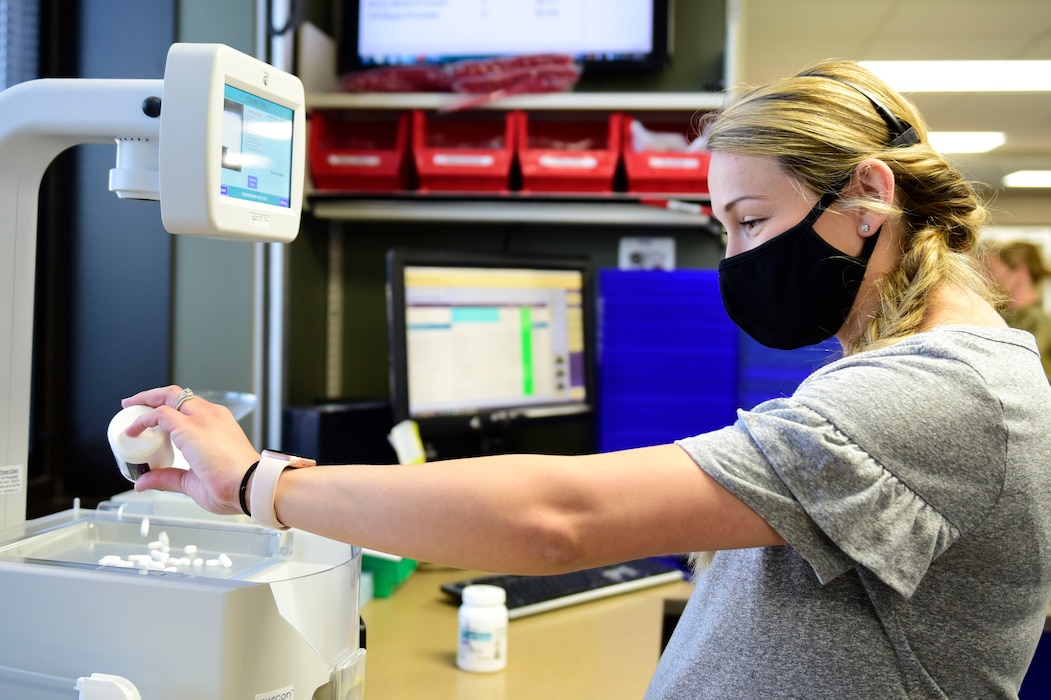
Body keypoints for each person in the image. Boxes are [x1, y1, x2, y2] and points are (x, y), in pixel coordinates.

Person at [123, 59, 1051, 698]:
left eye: (751, 221)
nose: (733, 258)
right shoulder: (907, 371)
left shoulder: (940, 394)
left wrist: (257, 482)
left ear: (867, 199)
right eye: (720, 228)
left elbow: (558, 519)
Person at [985, 239, 1051, 381]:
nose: (986, 279)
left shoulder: (1040, 323)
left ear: (1020, 271)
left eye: (991, 271)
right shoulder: (998, 317)